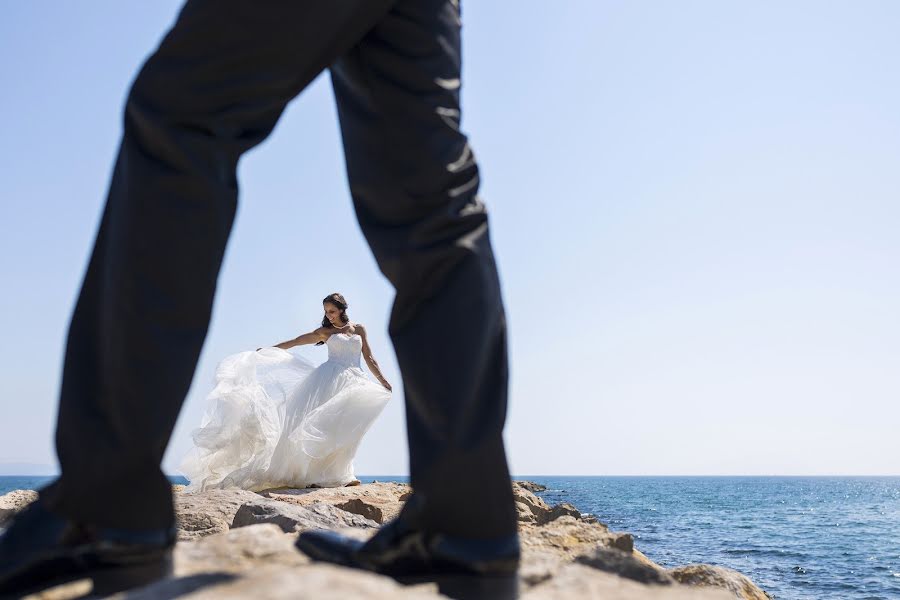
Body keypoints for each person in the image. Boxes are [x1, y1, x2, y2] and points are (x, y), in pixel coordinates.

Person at [0, 1, 520, 598]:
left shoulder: (348, 330)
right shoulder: (327, 329)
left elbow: (358, 353)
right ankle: (468, 519)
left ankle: (105, 503)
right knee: (432, 197)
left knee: (179, 117)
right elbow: (310, 341)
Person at [179, 293, 392, 492]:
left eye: (332, 311)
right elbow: (297, 341)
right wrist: (271, 349)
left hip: (355, 381)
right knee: (324, 428)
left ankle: (344, 473)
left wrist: (382, 380)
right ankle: (318, 475)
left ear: (342, 309)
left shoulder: (359, 329)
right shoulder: (325, 333)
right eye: (326, 311)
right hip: (329, 380)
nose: (329, 315)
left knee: (348, 428)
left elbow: (369, 358)